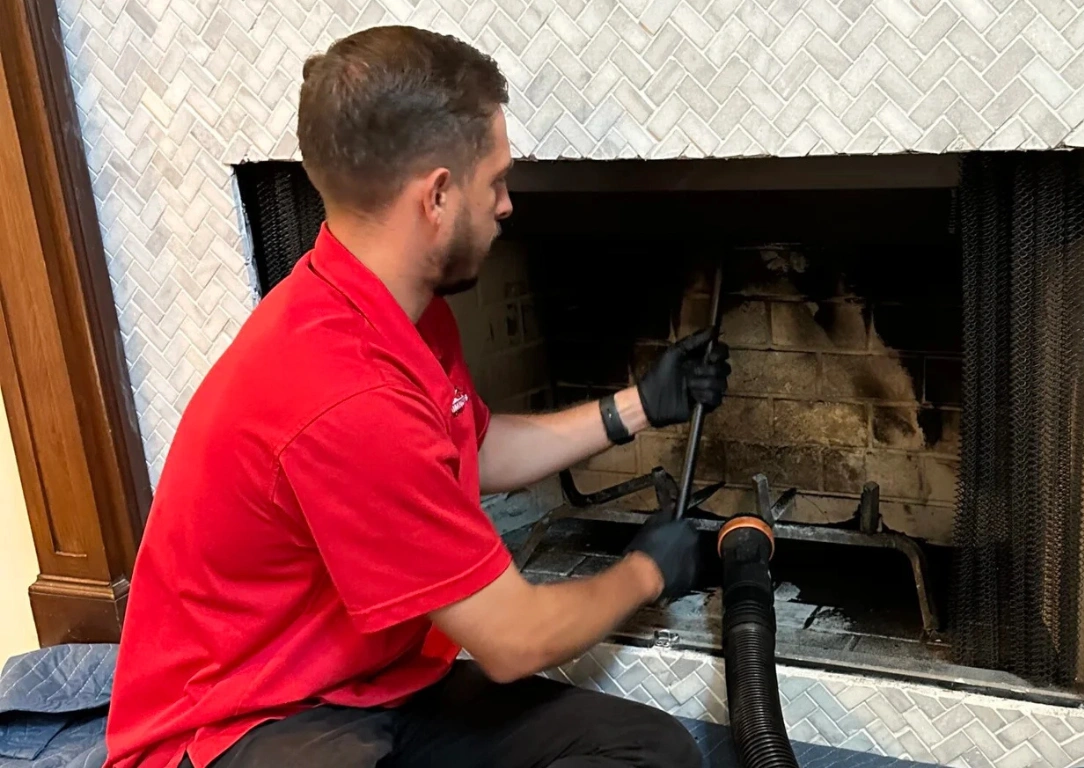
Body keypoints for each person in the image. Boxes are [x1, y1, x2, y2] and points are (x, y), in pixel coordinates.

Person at [103, 25, 730, 768]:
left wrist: (636, 407)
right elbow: (513, 639)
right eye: (494, 181)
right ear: (436, 195)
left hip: (370, 686)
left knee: (648, 752)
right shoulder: (344, 393)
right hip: (239, 729)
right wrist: (648, 569)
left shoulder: (396, 309)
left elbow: (473, 446)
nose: (506, 205)